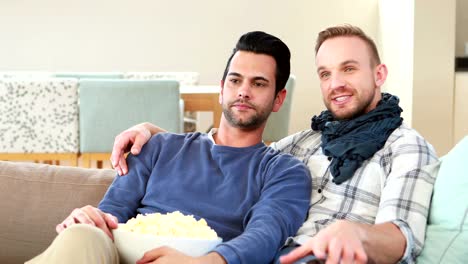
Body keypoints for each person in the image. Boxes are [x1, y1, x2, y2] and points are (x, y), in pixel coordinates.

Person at [110, 24, 438, 264]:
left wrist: (357, 234)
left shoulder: (405, 146)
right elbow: (230, 151)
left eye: (348, 69)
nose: (336, 83)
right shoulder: (303, 144)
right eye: (325, 74)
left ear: (379, 74)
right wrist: (154, 135)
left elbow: (402, 236)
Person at [26, 31, 312, 264]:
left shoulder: (284, 171)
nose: (243, 91)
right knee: (82, 236)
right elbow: (113, 212)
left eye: (258, 83)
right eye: (235, 80)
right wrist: (91, 220)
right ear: (222, 87)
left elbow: (265, 235)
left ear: (278, 99)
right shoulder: (159, 147)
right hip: (123, 256)